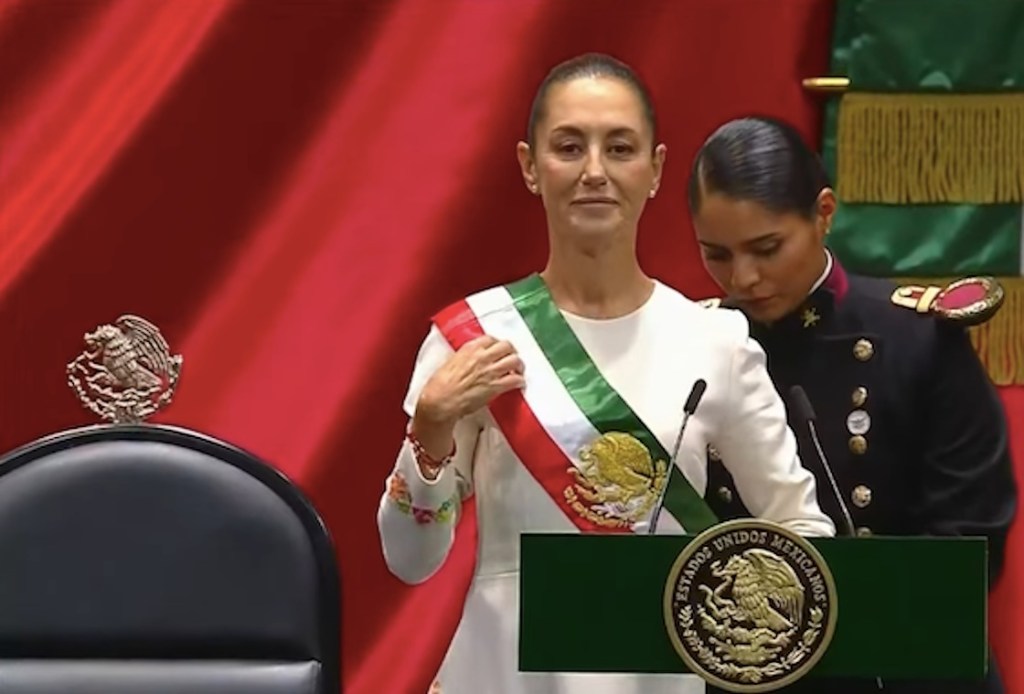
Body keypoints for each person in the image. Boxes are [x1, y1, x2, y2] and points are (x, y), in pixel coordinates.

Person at [376, 56, 835, 694]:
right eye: (569, 147)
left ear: (655, 170)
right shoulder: (472, 337)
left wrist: (745, 637)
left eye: (619, 148)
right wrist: (431, 423)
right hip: (504, 673)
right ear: (530, 166)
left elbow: (802, 533)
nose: (595, 171)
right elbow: (410, 560)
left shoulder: (716, 342)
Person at [688, 115, 1018, 694]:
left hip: (906, 665)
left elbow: (971, 538)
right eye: (716, 254)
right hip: (747, 671)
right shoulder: (693, 347)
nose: (744, 277)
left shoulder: (917, 337)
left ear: (823, 213)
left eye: (767, 248)